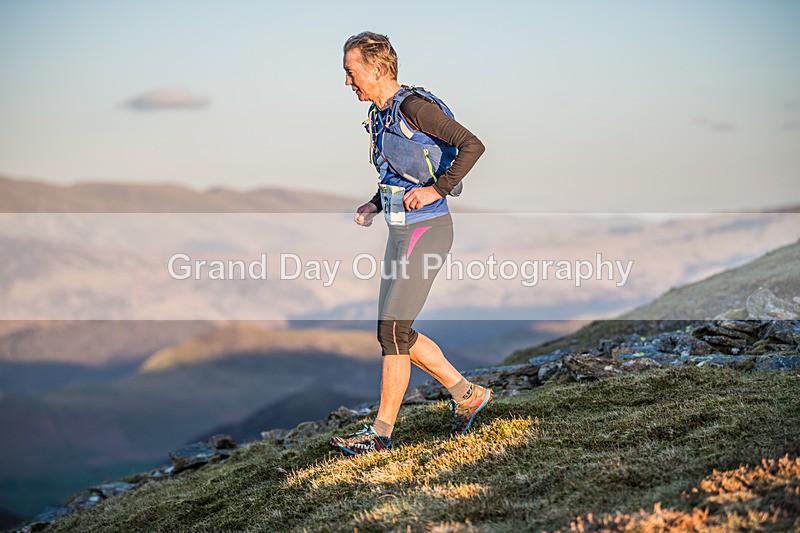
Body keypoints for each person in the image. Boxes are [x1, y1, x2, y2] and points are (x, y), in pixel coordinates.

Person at [329, 31, 492, 456]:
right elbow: (400, 169)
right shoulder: (381, 114)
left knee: (393, 330)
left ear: (377, 69)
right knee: (392, 332)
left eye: (351, 72)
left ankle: (380, 436)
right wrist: (374, 202)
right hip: (400, 233)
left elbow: (472, 145)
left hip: (428, 230)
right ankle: (468, 395)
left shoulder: (414, 108)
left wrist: (438, 189)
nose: (347, 82)